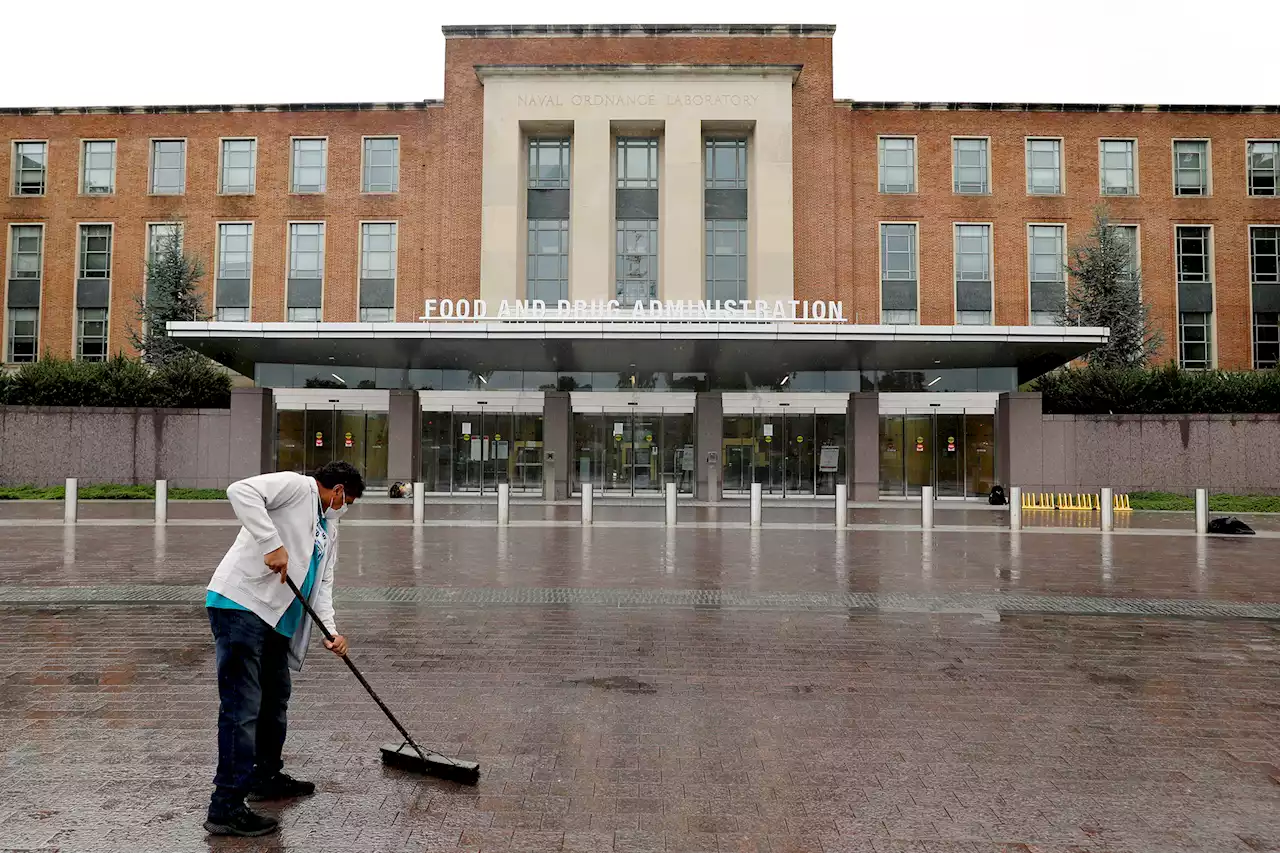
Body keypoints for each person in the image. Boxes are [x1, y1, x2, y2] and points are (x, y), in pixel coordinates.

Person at [203, 461, 364, 837]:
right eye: (348, 501)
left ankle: (265, 777)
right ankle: (225, 807)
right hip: (241, 606)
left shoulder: (329, 528)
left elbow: (321, 584)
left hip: (277, 621)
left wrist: (332, 632)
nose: (345, 509)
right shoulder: (297, 487)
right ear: (338, 490)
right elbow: (240, 490)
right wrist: (270, 543)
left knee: (275, 699)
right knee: (242, 707)